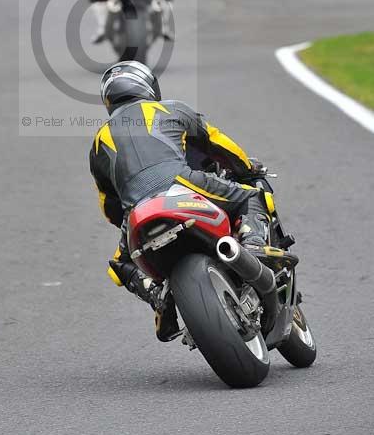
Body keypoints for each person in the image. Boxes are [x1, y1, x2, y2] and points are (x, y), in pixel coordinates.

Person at [89, 61, 296, 342]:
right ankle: (254, 244)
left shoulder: (99, 141)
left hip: (137, 210)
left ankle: (156, 296)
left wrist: (126, 218)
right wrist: (247, 169)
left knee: (119, 265)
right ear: (149, 86)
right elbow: (218, 143)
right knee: (250, 195)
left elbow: (109, 206)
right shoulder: (169, 108)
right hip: (181, 183)